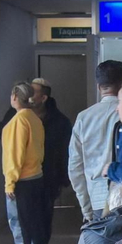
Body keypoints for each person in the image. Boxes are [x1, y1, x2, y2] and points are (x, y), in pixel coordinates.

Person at [69, 60, 122, 221]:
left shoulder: (84, 118)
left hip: (97, 199)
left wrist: (86, 208)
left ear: (98, 86)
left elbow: (75, 167)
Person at [0, 82, 49, 244]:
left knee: (18, 221)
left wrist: (9, 182)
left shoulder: (18, 121)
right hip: (36, 176)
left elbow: (14, 155)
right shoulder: (34, 118)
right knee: (34, 220)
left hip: (22, 180)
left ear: (14, 97)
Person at [32, 78, 73, 211]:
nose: (28, 95)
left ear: (43, 98)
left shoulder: (60, 122)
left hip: (49, 178)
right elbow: (1, 131)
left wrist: (63, 178)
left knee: (44, 216)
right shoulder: (19, 117)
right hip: (25, 178)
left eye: (33, 92)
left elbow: (64, 151)